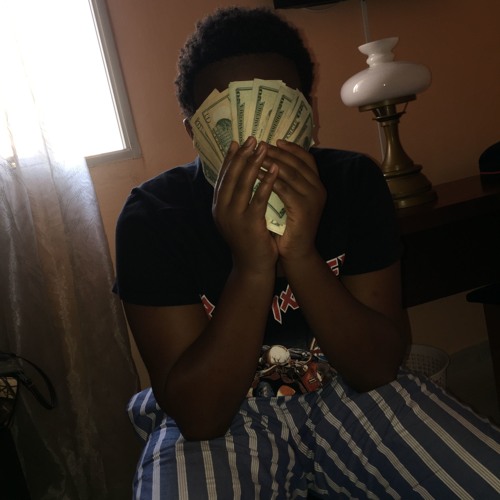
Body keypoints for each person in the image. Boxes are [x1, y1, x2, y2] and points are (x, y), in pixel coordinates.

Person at [115, 6, 500, 499]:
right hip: (227, 416)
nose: (257, 140)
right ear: (194, 130)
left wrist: (300, 254)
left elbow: (378, 369)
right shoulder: (153, 216)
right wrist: (252, 267)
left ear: (306, 113)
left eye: (276, 109)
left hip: (350, 392)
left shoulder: (352, 180)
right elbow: (200, 416)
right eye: (230, 119)